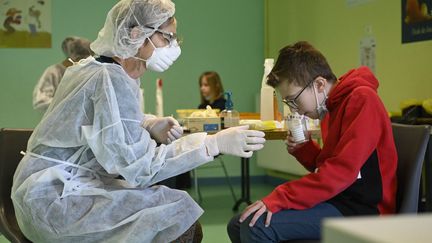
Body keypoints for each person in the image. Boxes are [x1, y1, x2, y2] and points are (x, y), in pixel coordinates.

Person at [11, 0, 266, 242]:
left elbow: (100, 119)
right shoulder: (111, 79)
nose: (173, 46)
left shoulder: (97, 69)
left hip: (56, 188)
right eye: (166, 37)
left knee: (172, 208)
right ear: (135, 34)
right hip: (55, 202)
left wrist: (147, 123)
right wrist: (213, 144)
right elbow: (141, 169)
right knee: (179, 220)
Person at [227, 41, 397, 242]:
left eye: (294, 100)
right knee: (238, 224)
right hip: (339, 198)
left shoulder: (362, 99)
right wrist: (305, 150)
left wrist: (280, 196)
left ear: (319, 85)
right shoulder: (332, 106)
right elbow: (330, 166)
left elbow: (341, 173)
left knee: (255, 227)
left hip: (362, 210)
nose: (295, 109)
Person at [32, 36, 92, 112]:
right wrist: (69, 105)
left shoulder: (87, 72)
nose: (85, 63)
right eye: (81, 59)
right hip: (56, 122)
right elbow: (40, 101)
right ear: (72, 57)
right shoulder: (54, 72)